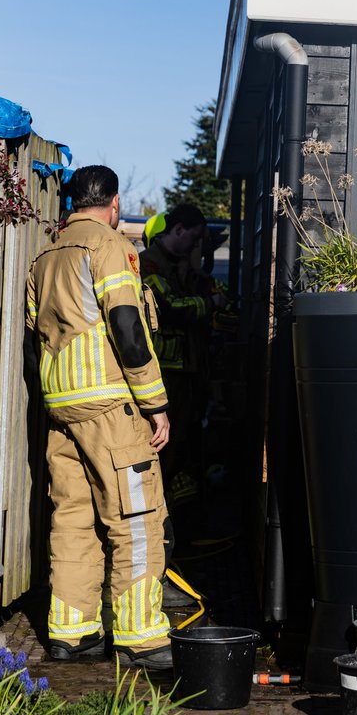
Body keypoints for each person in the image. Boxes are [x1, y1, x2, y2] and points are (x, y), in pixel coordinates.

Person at [25, 165, 173, 670]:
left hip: (60, 409)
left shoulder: (43, 256)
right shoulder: (108, 245)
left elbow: (35, 335)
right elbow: (128, 328)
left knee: (72, 518)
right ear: (113, 203)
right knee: (134, 520)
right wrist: (155, 404)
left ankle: (72, 634)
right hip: (110, 407)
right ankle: (140, 640)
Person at [139, 204, 227, 507]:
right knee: (165, 446)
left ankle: (180, 519)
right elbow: (169, 307)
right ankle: (158, 511)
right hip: (164, 373)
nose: (195, 247)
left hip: (190, 373)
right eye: (193, 239)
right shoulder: (148, 265)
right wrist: (210, 303)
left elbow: (223, 303)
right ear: (178, 230)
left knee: (187, 446)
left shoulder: (186, 269)